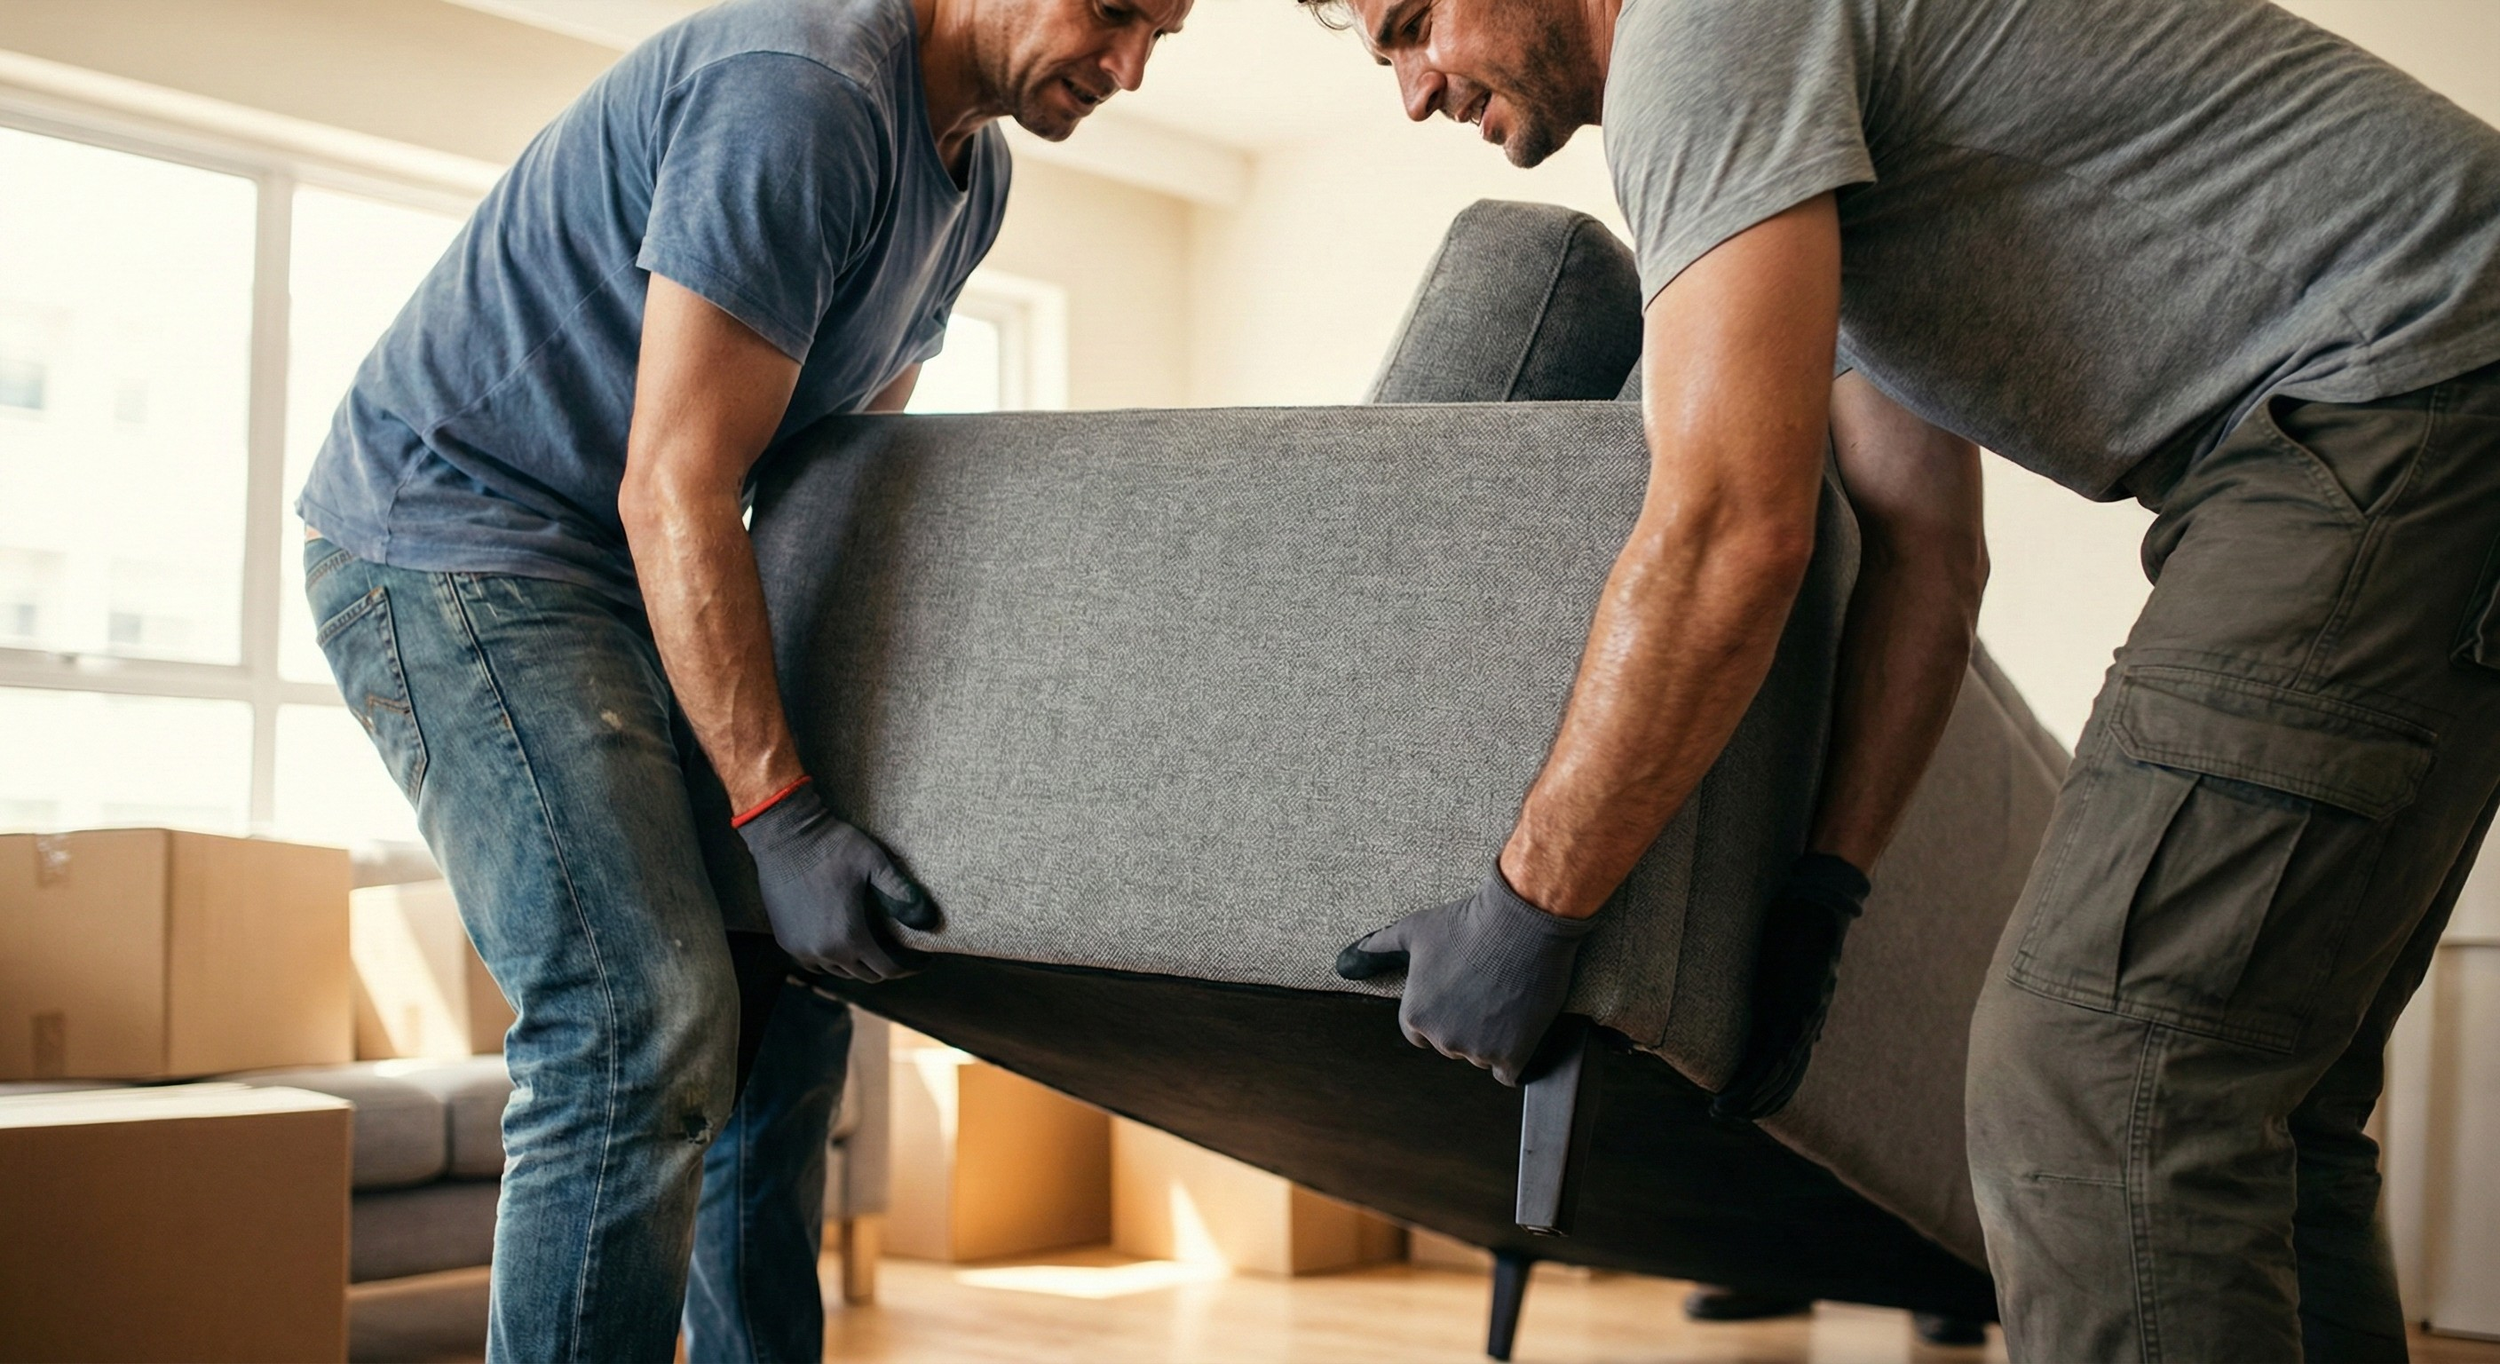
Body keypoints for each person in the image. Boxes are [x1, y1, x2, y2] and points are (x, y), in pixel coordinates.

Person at [1308, 0, 2500, 1358]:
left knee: (2103, 1079)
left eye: (1411, 26)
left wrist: (1531, 909)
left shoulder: (1697, 37)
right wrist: (1823, 897)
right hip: (2440, 384)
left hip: (2401, 385)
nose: (1411, 94)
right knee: (2264, 1107)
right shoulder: (1797, 138)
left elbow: (1725, 532)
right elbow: (1927, 558)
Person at [296, 0, 1187, 1357]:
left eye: (1163, 37)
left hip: (638, 558)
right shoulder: (804, 92)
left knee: (783, 1000)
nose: (1129, 68)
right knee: (632, 1018)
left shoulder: (975, 176)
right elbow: (676, 479)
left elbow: (820, 483)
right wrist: (777, 810)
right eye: (1116, 11)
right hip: (463, 541)